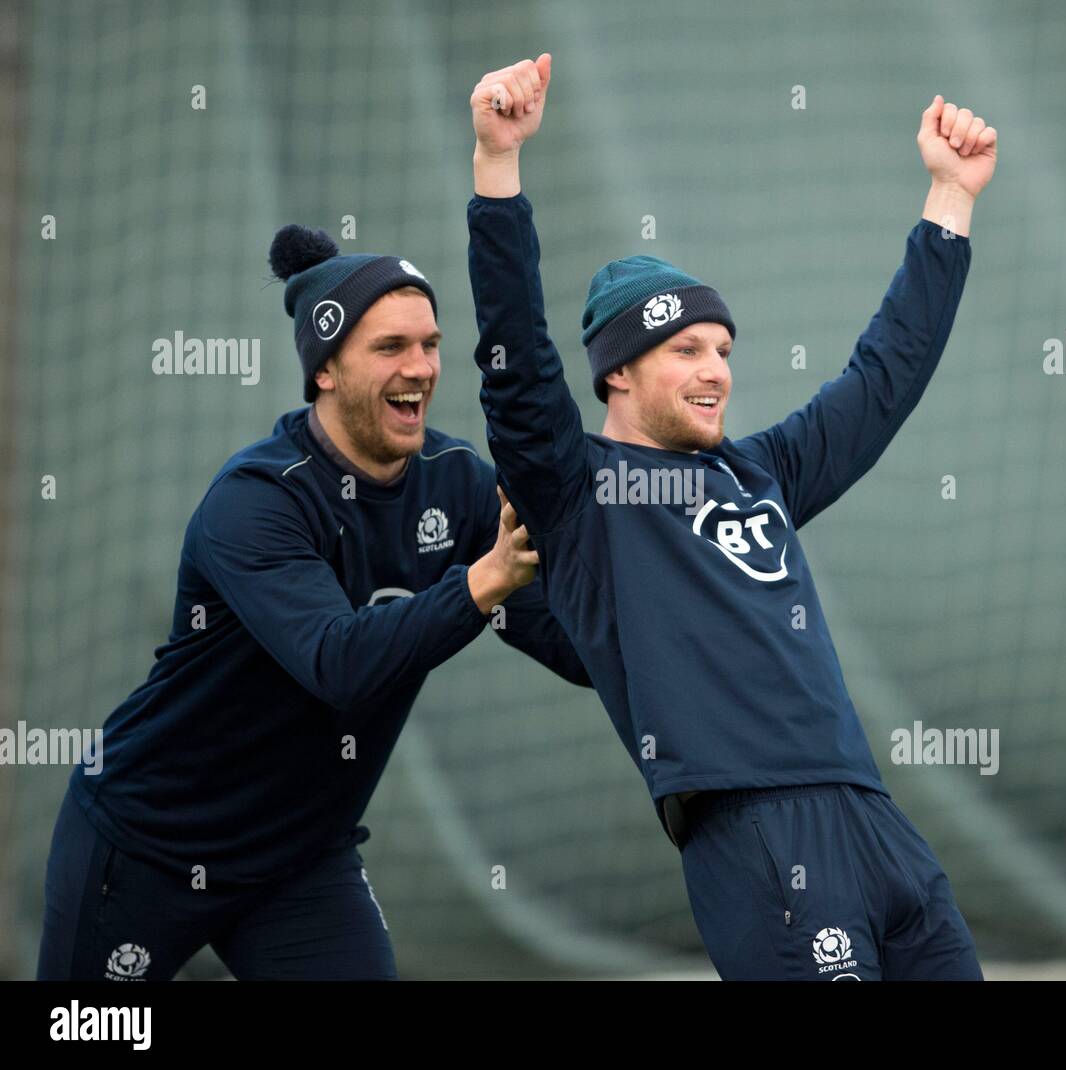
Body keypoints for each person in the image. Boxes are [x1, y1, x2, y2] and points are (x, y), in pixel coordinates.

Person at [465, 53, 996, 980]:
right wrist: (498, 167)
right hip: (753, 831)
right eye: (685, 349)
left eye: (723, 346)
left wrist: (949, 200)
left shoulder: (765, 471)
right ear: (618, 372)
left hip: (873, 819)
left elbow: (885, 376)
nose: (717, 368)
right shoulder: (579, 491)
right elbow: (516, 366)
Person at [37, 224, 590, 981]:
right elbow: (338, 662)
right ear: (325, 368)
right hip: (147, 846)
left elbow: (564, 639)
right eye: (390, 347)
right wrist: (483, 580)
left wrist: (678, 629)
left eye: (429, 344)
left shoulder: (458, 480)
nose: (421, 368)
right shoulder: (257, 499)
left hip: (300, 863)